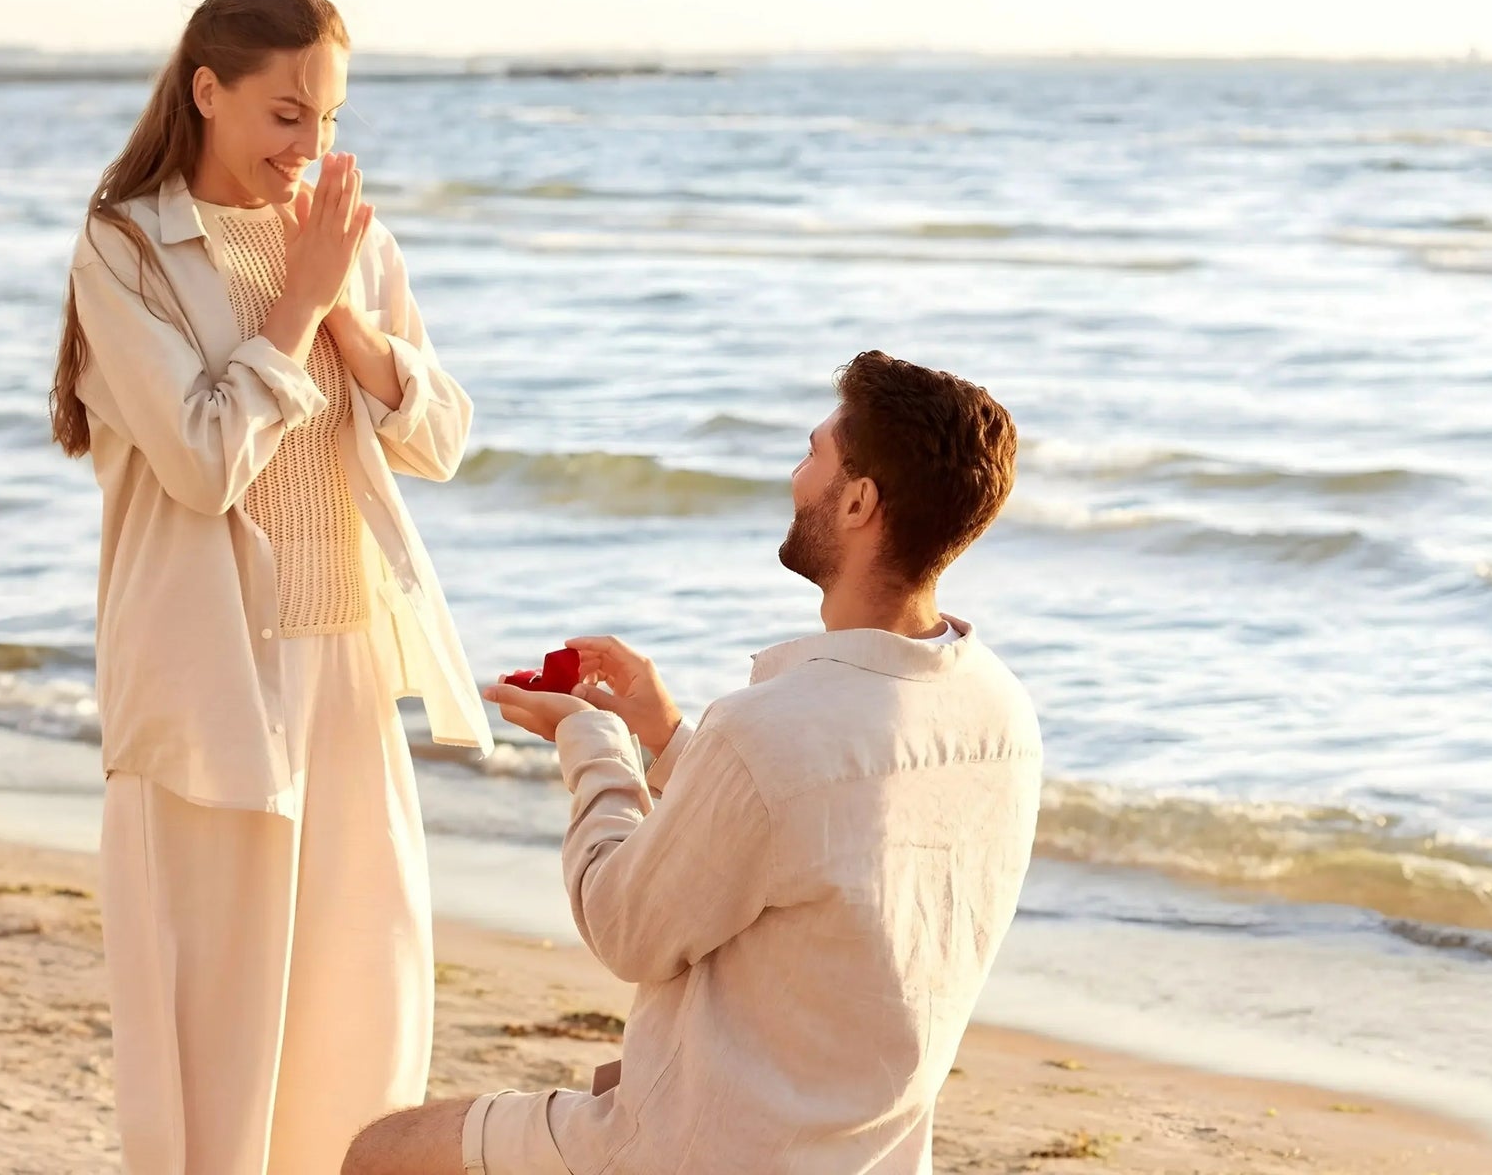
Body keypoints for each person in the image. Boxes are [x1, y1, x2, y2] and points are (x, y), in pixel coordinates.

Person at [342, 352, 1040, 1174]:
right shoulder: (1000, 710)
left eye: (813, 453)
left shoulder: (770, 733)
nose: (795, 476)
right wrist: (670, 739)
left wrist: (594, 751)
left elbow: (626, 929)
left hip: (693, 1150)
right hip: (869, 1154)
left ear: (858, 502)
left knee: (381, 1153)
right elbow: (814, 834)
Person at [50, 0, 494, 1175]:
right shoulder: (126, 245)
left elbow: (442, 435)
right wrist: (298, 306)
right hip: (209, 678)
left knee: (365, 1003)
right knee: (215, 1033)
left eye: (333, 119)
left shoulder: (352, 237)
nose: (313, 146)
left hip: (345, 662)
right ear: (208, 93)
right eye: (287, 115)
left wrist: (347, 315)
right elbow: (201, 462)